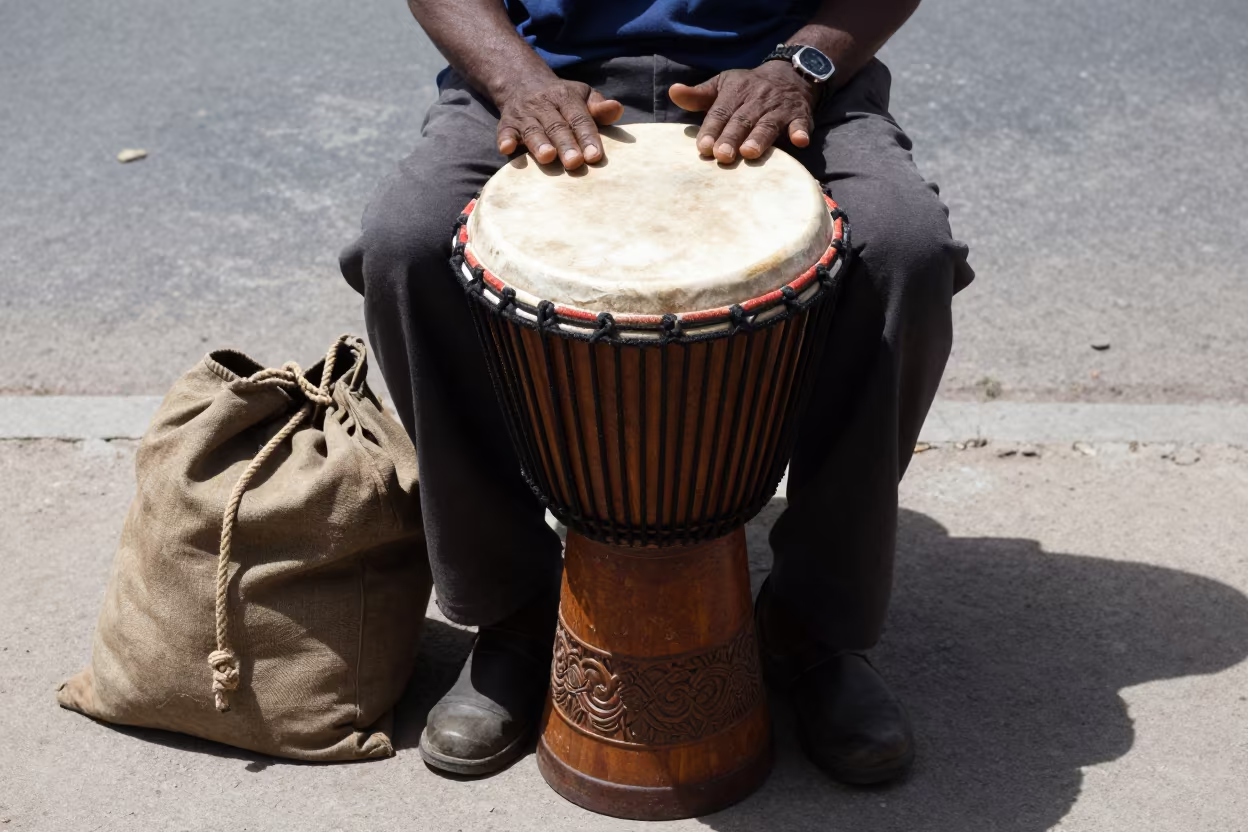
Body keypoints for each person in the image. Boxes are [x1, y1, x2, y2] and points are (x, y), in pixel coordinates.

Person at [341, 0, 974, 785]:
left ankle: (813, 625)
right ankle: (514, 610)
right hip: (549, 71)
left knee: (906, 252)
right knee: (406, 246)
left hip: (776, 74)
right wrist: (518, 79)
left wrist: (801, 65)